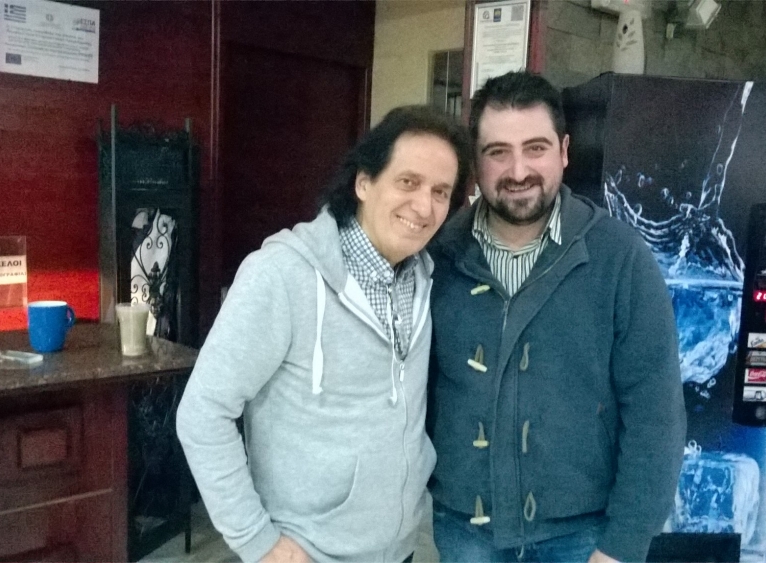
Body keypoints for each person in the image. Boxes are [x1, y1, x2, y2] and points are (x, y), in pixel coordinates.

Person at [176, 105, 471, 563]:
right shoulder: (282, 274)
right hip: (307, 553)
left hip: (399, 549)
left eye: (440, 192)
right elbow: (202, 413)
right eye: (408, 182)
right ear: (363, 182)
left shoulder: (424, 278)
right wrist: (256, 540)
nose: (424, 206)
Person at [426, 71, 686, 563]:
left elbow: (656, 416)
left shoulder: (620, 257)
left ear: (564, 151)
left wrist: (624, 544)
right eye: (497, 152)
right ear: (475, 163)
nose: (518, 169)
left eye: (536, 148)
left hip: (582, 537)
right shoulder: (437, 255)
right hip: (465, 531)